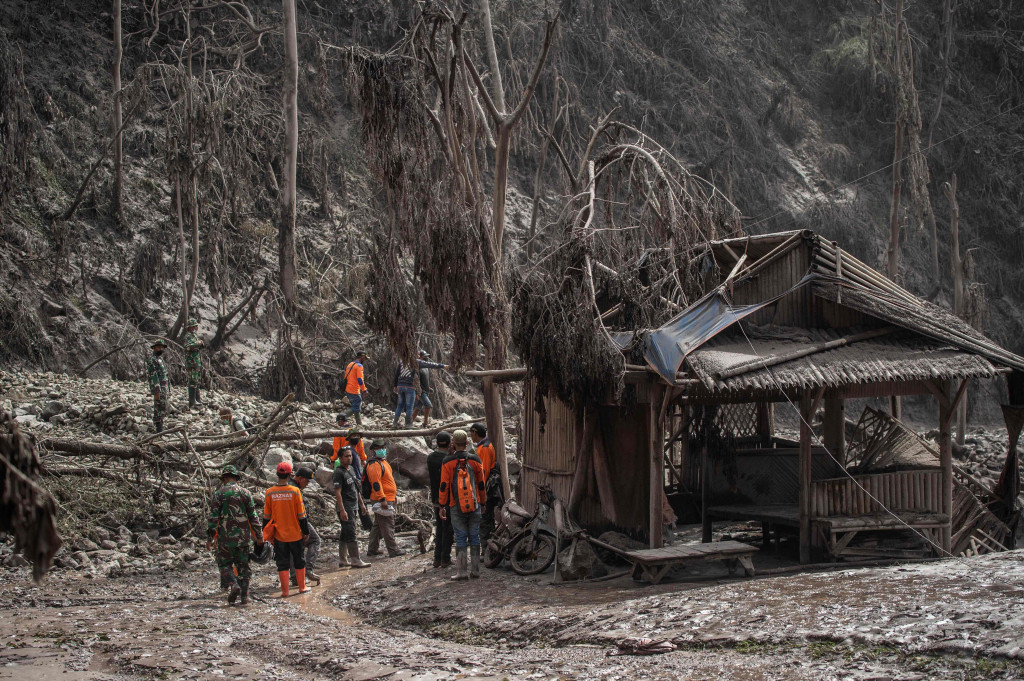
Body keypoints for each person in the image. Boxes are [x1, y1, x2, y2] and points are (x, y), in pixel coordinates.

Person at [206, 465, 263, 605]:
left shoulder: (219, 494)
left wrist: (209, 538)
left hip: (224, 539)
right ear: (236, 478)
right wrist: (259, 535)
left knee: (224, 565)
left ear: (225, 478)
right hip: (243, 538)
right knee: (244, 567)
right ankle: (245, 597)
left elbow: (213, 518)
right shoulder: (246, 493)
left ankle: (233, 584)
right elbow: (253, 517)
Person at [438, 430, 487, 580]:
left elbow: (444, 485)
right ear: (467, 443)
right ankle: (476, 570)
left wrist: (442, 505)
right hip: (474, 504)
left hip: (455, 505)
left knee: (460, 537)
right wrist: (483, 502)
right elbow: (481, 484)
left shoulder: (448, 462)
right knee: (474, 536)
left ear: (453, 443)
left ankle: (462, 572)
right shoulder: (476, 460)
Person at [263, 461, 311, 597]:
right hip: (295, 534)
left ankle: (285, 591)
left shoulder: (269, 493)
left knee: (282, 562)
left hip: (279, 535)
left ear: (277, 474)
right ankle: (302, 587)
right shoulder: (295, 492)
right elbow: (302, 516)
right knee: (299, 560)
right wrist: (306, 531)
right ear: (290, 475)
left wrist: (264, 534)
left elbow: (266, 517)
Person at [363, 439, 405, 558]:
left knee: (378, 525)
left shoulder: (383, 462)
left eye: (383, 447)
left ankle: (372, 549)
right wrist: (382, 499)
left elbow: (388, 480)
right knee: (387, 524)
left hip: (388, 497)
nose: (382, 450)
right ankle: (393, 549)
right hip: (382, 499)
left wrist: (393, 495)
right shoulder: (373, 465)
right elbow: (376, 484)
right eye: (378, 448)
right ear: (373, 450)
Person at [332, 447, 370, 569]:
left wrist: (361, 504)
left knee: (345, 531)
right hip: (346, 506)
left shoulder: (352, 469)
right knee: (351, 531)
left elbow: (356, 489)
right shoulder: (338, 473)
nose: (349, 458)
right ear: (340, 458)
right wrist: (342, 510)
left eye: (350, 456)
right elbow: (337, 493)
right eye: (346, 456)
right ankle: (355, 559)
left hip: (354, 505)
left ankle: (343, 559)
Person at [287, 467, 321, 586]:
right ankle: (308, 570)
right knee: (315, 540)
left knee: (294, 548)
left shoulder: (289, 485)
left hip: (288, 522)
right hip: (298, 522)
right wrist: (304, 529)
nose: (307, 484)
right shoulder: (294, 489)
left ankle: (296, 576)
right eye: (306, 481)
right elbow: (300, 511)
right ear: (300, 478)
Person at [470, 422, 503, 543]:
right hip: (489, 486)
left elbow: (483, 471)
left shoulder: (484, 448)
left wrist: (480, 493)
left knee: (485, 519)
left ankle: (486, 549)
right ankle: (490, 547)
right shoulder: (484, 445)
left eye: (471, 433)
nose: (471, 436)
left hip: (487, 488)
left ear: (475, 433)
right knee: (488, 519)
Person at [426, 431, 454, 568]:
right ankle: (445, 558)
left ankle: (437, 558)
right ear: (449, 444)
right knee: (448, 528)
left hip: (436, 498)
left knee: (439, 527)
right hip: (448, 498)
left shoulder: (431, 458)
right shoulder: (449, 459)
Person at [410, 350, 447, 427]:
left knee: (418, 407)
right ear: (420, 357)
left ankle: (410, 422)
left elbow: (425, 379)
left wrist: (428, 387)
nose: (426, 357)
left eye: (427, 356)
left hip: (425, 390)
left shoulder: (426, 368)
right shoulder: (417, 366)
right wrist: (416, 392)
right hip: (421, 391)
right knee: (428, 405)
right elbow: (415, 381)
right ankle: (425, 422)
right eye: (424, 356)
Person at [147, 339, 170, 433]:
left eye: (162, 347)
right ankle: (158, 428)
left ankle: (161, 425)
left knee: (163, 406)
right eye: (159, 347)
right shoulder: (152, 360)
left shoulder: (160, 359)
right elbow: (153, 376)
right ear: (154, 348)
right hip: (158, 387)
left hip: (164, 387)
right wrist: (157, 389)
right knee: (158, 406)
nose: (161, 349)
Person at [343, 350, 370, 425]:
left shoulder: (350, 364)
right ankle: (341, 417)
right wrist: (364, 390)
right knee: (356, 407)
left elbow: (346, 377)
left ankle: (359, 424)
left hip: (348, 388)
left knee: (356, 406)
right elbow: (360, 379)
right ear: (361, 357)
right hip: (354, 390)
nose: (365, 360)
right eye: (365, 358)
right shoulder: (359, 366)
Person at [183, 318, 205, 409]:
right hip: (191, 362)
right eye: (195, 326)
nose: (197, 327)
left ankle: (198, 399)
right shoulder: (188, 336)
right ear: (192, 327)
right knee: (192, 380)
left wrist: (200, 344)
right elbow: (188, 347)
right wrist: (197, 343)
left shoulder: (194, 335)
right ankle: (192, 401)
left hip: (196, 361)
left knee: (197, 380)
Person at [392, 360, 417, 429]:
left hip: (400, 386)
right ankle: (408, 424)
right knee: (409, 406)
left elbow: (396, 375)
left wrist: (395, 386)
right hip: (410, 387)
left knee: (400, 405)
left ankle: (394, 424)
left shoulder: (401, 362)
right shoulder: (414, 362)